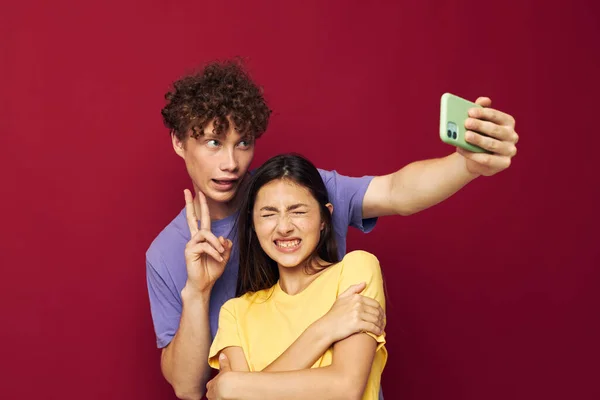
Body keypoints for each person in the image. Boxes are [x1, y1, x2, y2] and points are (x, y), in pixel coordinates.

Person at [146, 59, 519, 399]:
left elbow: (396, 191)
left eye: (243, 142)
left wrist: (467, 166)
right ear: (179, 142)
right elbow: (189, 388)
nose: (230, 162)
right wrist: (197, 292)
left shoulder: (301, 190)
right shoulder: (173, 260)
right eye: (213, 143)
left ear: (323, 214)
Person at [203, 153, 387, 399]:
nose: (284, 227)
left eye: (297, 211)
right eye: (268, 214)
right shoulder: (235, 313)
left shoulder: (355, 270)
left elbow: (345, 387)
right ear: (253, 224)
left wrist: (234, 386)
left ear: (325, 217)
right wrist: (324, 329)